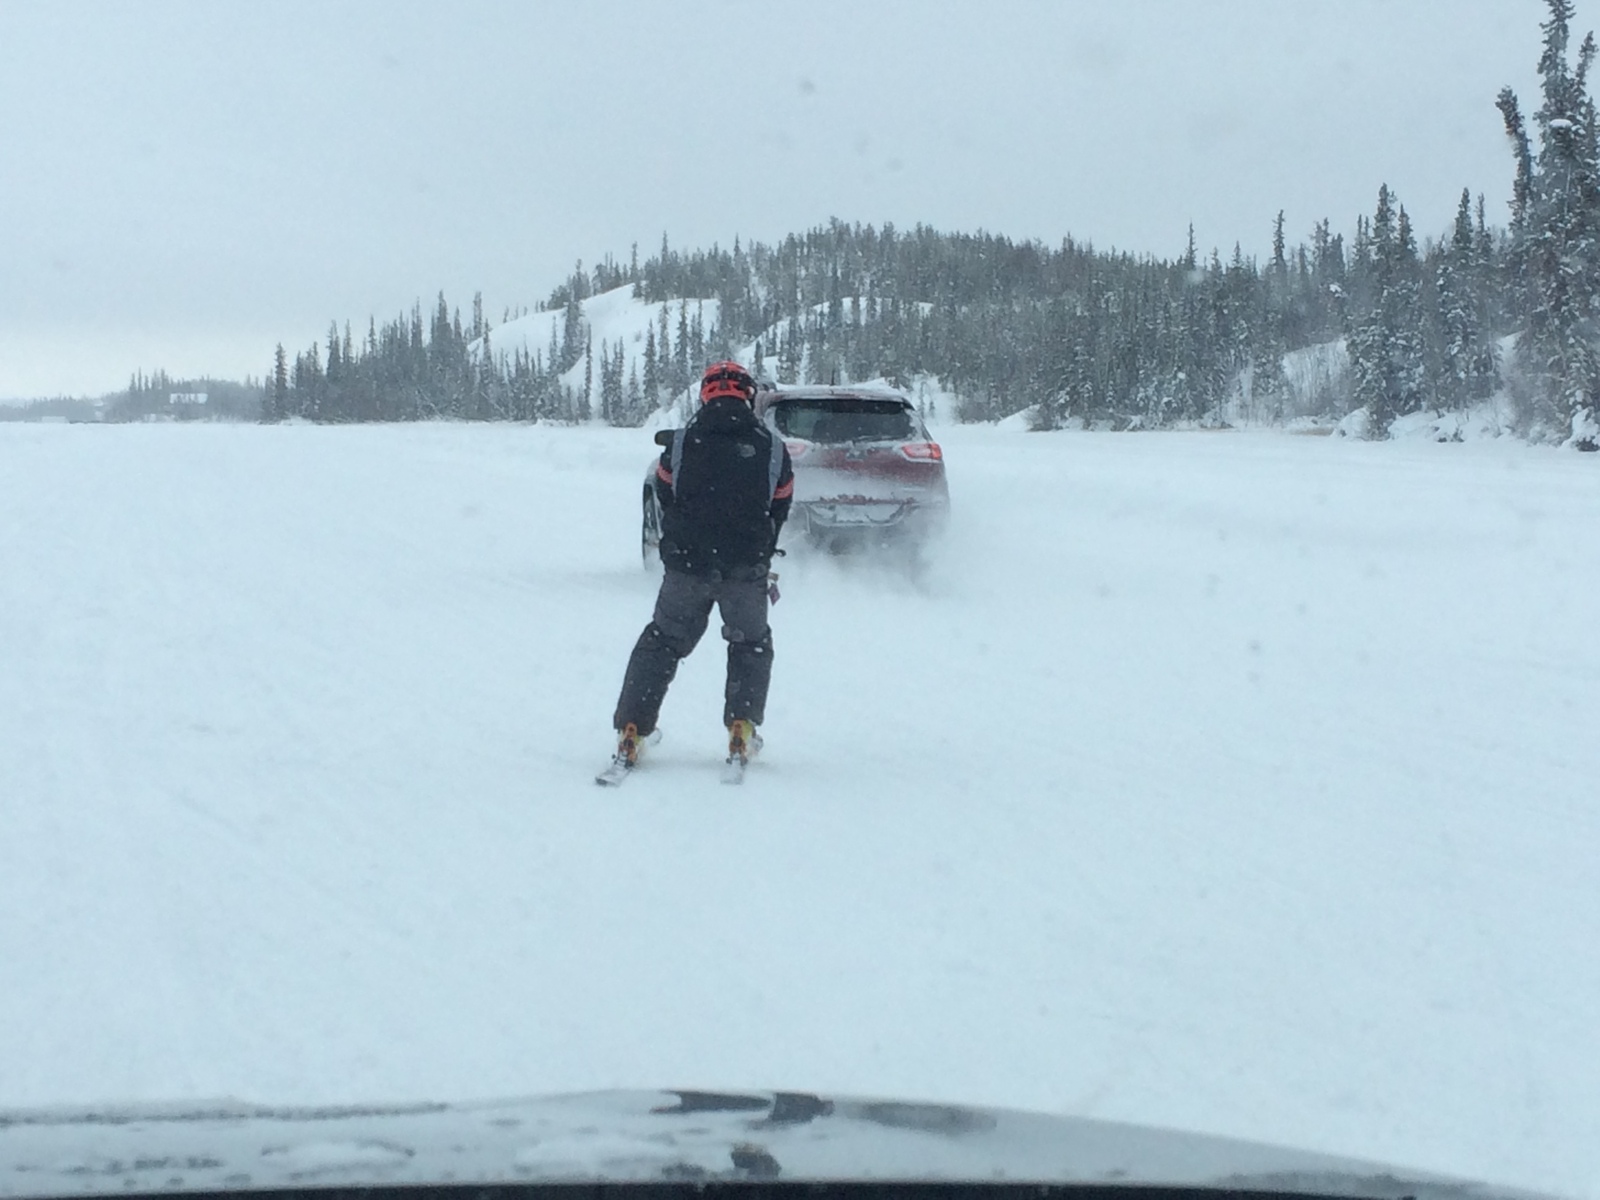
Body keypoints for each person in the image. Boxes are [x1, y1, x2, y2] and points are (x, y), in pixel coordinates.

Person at [608, 360, 794, 776]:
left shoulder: (680, 442)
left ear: (705, 394)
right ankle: (742, 727)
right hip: (746, 568)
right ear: (747, 395)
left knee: (662, 642)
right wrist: (762, 544)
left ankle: (632, 728)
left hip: (687, 567)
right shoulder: (773, 446)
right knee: (750, 644)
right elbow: (781, 501)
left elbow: (663, 488)